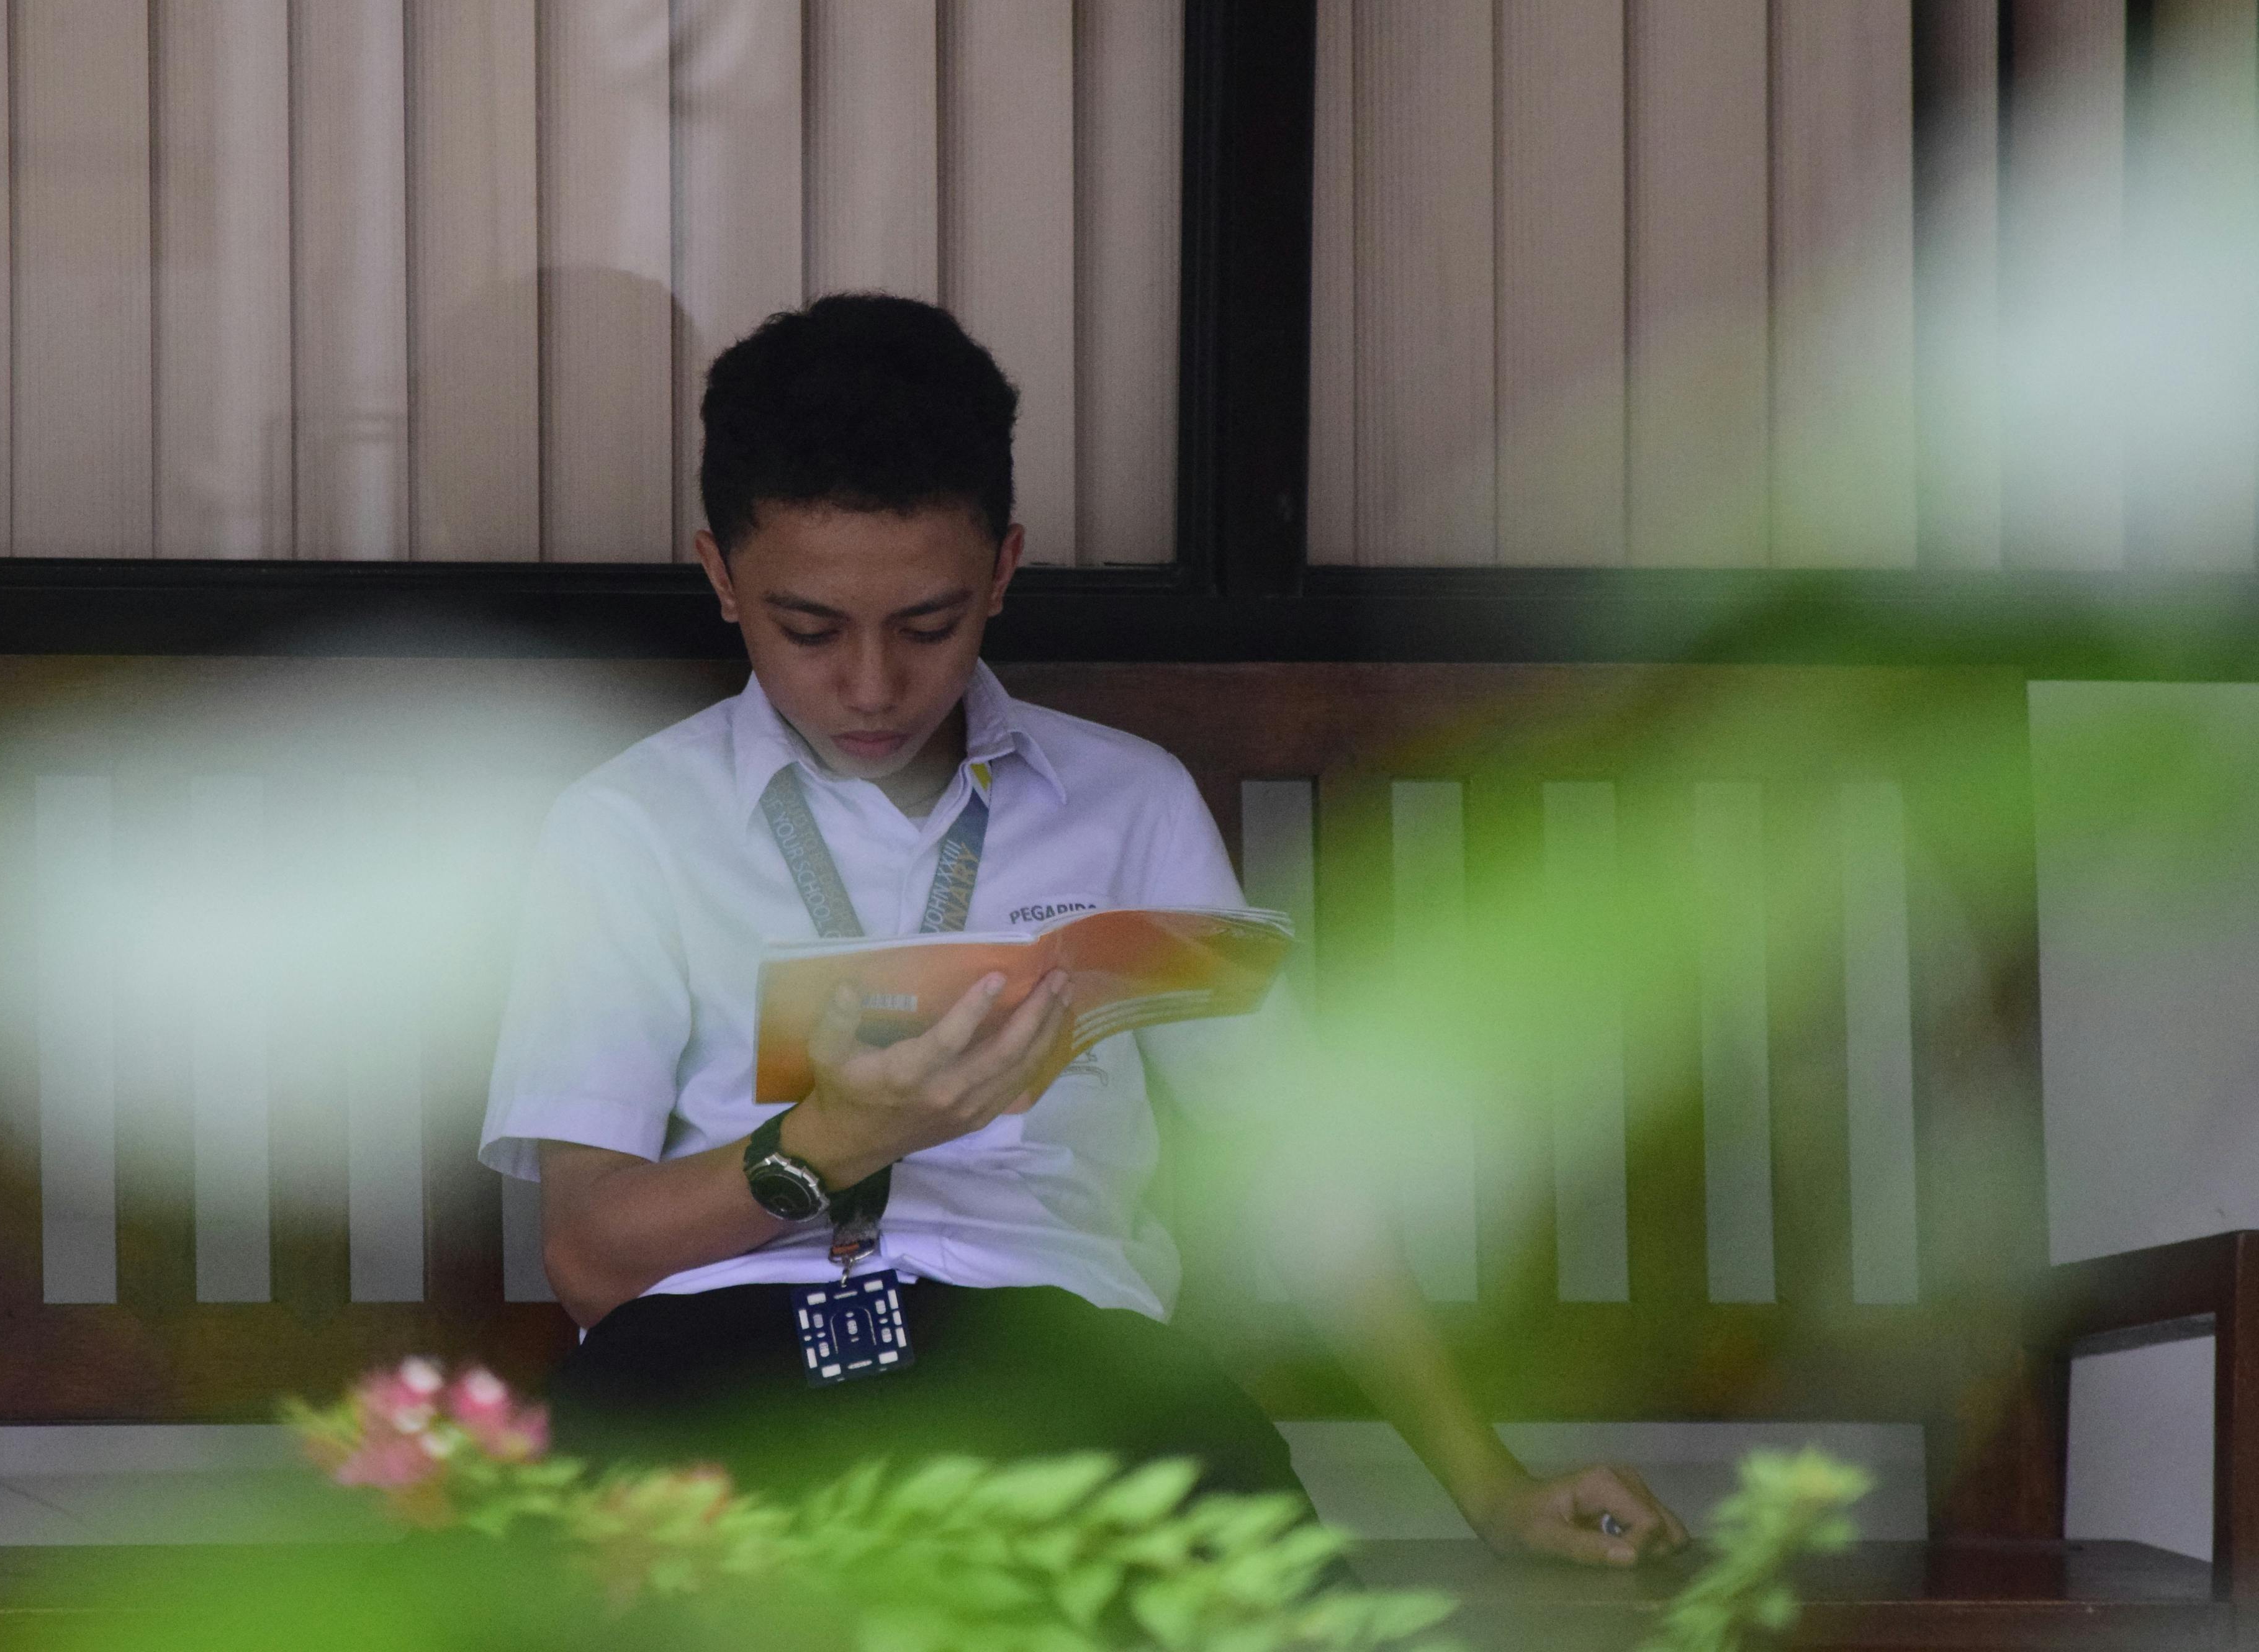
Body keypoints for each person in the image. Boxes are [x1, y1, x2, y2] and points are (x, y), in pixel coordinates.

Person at [479, 294, 1687, 1564]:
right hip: (715, 1360)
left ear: (1003, 567)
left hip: (1061, 1359)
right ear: (720, 575)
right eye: (811, 629)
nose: (874, 683)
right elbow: (591, 1259)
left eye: (929, 624)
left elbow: (1297, 1177)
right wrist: (839, 1137)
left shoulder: (1124, 802)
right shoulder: (629, 828)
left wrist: (1487, 1484)